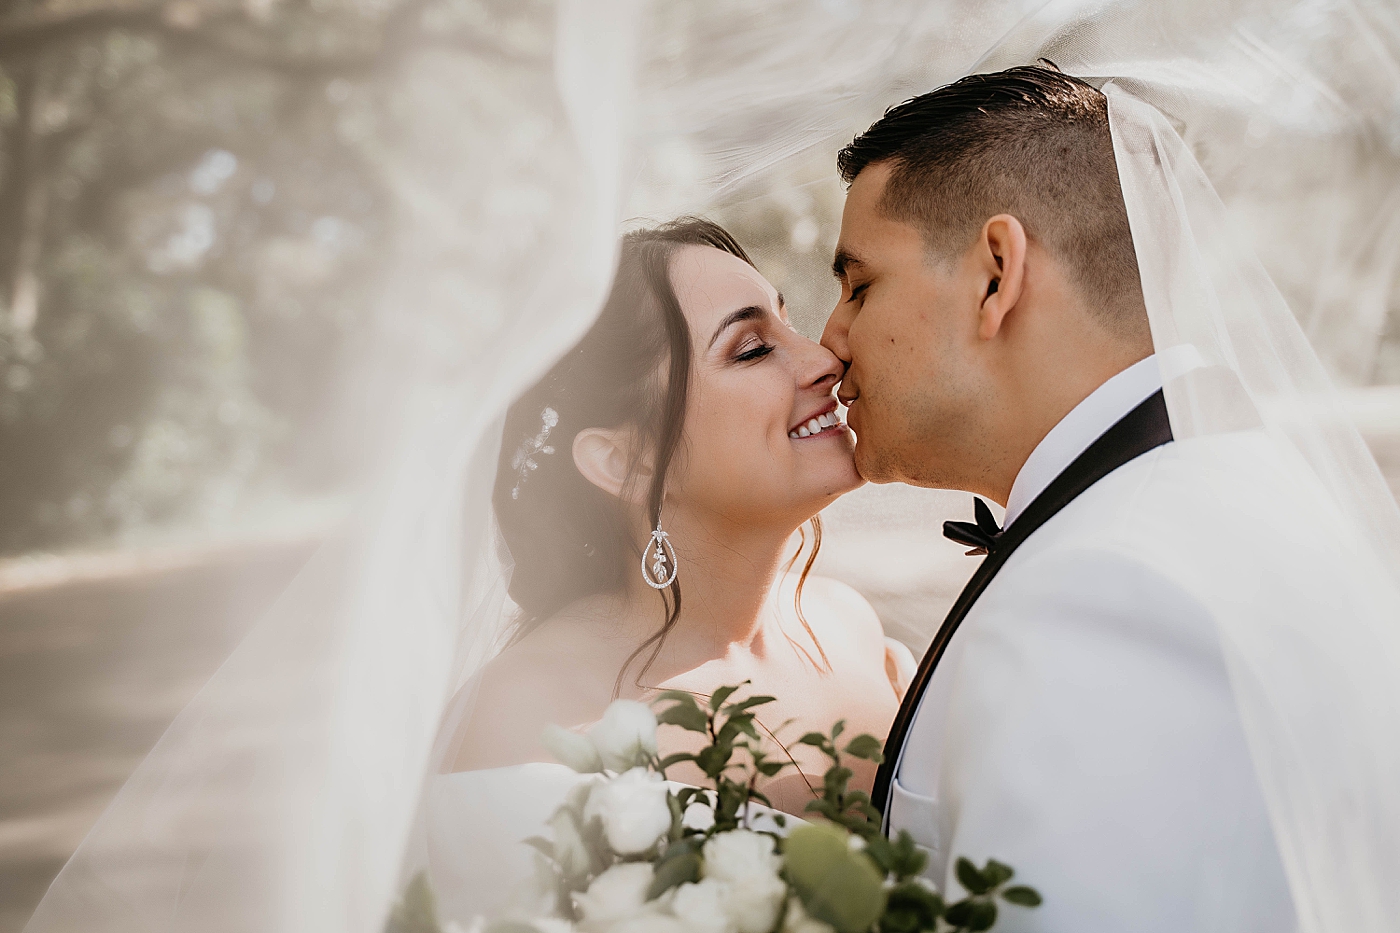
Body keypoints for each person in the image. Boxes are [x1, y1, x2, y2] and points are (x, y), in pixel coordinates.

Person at [821, 62, 1400, 932]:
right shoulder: (1244, 486)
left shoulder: (1101, 592)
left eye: (859, 284)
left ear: (995, 273)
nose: (830, 339)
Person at [423, 217, 915, 924]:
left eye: (790, 321)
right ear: (626, 462)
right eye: (751, 349)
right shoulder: (527, 725)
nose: (822, 360)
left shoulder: (851, 627)